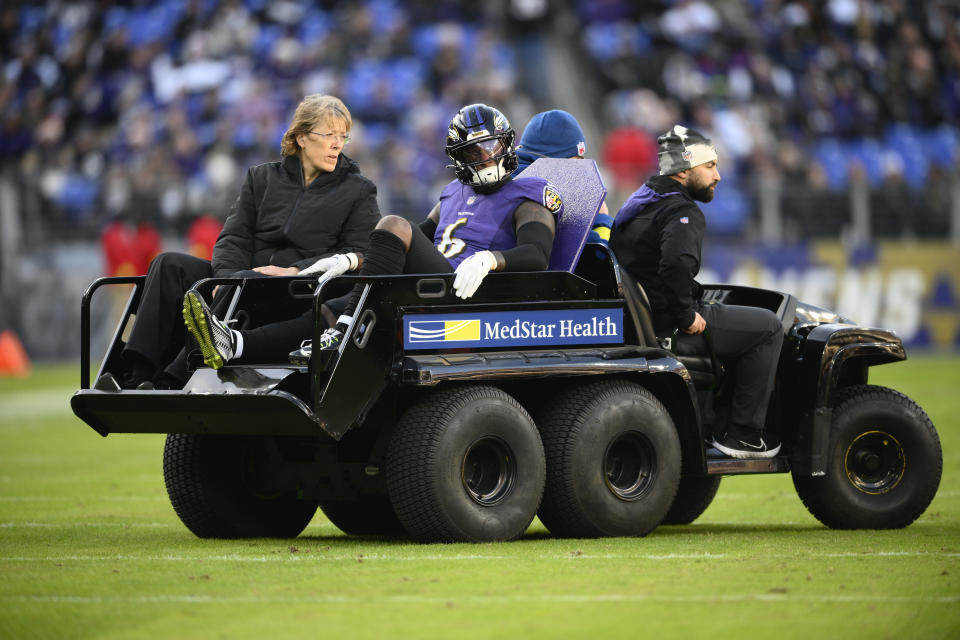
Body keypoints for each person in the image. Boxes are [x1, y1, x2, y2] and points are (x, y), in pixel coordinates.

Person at [182, 103, 564, 369]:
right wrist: (352, 259)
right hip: (433, 281)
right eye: (472, 153)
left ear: (507, 143)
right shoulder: (452, 192)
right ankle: (238, 344)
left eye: (490, 147)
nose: (485, 158)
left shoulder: (530, 192)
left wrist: (491, 259)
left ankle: (346, 328)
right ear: (458, 158)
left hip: (469, 293)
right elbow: (411, 240)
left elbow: (537, 253)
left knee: (392, 228)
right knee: (333, 303)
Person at [99, 94, 380, 389]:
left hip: (299, 290)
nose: (337, 144)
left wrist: (297, 269)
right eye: (329, 135)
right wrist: (226, 278)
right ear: (301, 137)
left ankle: (175, 378)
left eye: (343, 137)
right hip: (243, 280)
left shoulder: (359, 190)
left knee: (247, 281)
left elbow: (358, 254)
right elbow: (233, 238)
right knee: (168, 264)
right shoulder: (261, 178)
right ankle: (135, 374)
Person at [609, 125, 784, 459]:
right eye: (710, 166)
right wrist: (686, 315)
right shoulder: (681, 210)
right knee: (769, 328)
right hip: (668, 324)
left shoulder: (640, 200)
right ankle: (743, 433)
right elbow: (674, 265)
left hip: (643, 321)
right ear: (684, 170)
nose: (718, 176)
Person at [513, 109, 612, 244]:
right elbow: (594, 252)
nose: (579, 169)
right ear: (555, 157)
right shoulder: (542, 190)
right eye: (575, 160)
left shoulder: (509, 175)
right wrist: (602, 219)